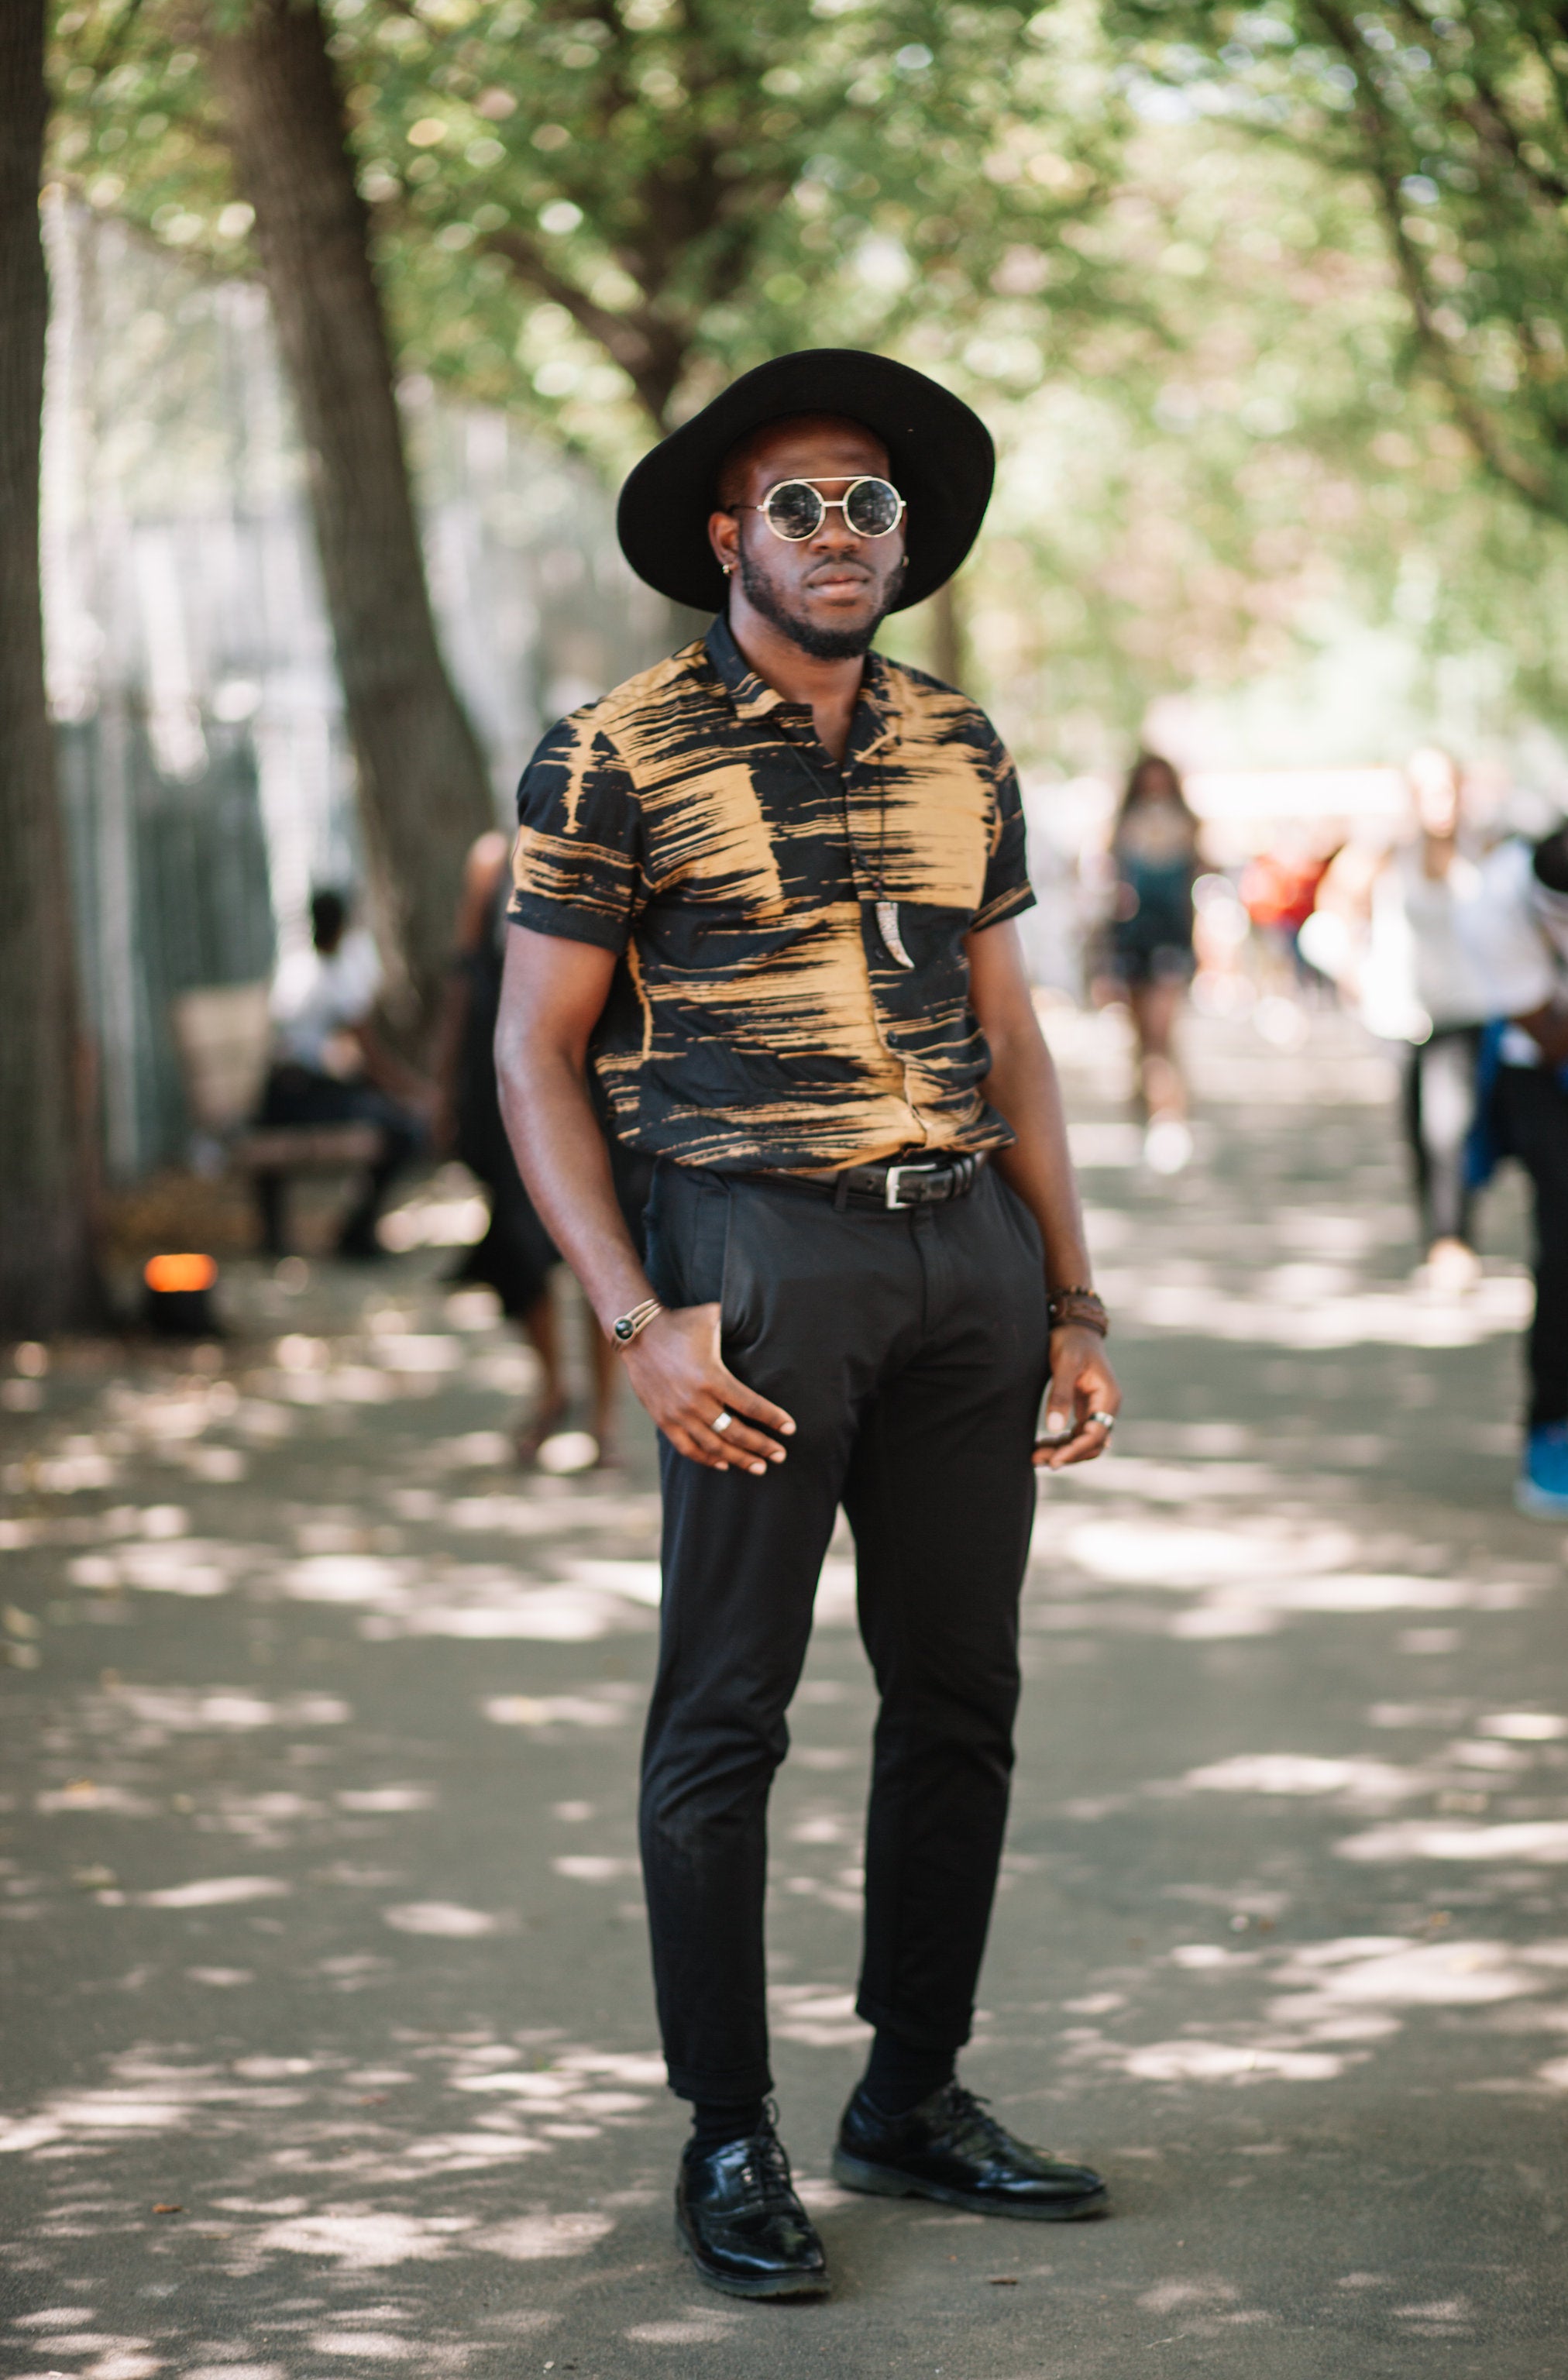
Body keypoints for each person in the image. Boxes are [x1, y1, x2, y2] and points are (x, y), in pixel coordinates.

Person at [494, 349, 1119, 2302]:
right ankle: (730, 2128)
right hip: (749, 1265)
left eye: (866, 503)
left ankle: (910, 2092)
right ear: (722, 535)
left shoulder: (960, 741)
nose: (837, 532)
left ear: (901, 537)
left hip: (963, 1264)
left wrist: (1071, 1289)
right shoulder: (614, 750)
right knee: (725, 1715)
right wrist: (632, 1316)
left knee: (961, 1697)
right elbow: (531, 1050)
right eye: (797, 504)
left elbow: (1010, 1030)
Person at [435, 831, 630, 1465]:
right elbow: (466, 977)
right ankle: (553, 1393)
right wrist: (445, 1083)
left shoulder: (614, 844)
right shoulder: (491, 860)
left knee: (605, 1248)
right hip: (516, 1087)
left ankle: (603, 1422)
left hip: (601, 1084)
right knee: (518, 1251)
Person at [1312, 748, 1492, 1292]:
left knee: (1451, 1127)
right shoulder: (1386, 851)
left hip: (1466, 1012)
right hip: (1400, 1015)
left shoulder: (1485, 848)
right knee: (1417, 1130)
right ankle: (1435, 1234)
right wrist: (1354, 975)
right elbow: (1332, 911)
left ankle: (1454, 1239)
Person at [1463, 820, 1568, 1516]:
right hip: (1539, 1076)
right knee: (1566, 1242)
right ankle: (1549, 1428)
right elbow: (1549, 1038)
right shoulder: (1493, 905)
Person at [255, 889, 427, 1259]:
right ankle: (357, 1233)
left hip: (274, 1096)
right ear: (344, 927)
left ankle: (280, 1235)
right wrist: (414, 1095)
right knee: (403, 1132)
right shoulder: (335, 977)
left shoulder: (294, 966)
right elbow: (372, 1056)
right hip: (303, 1098)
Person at [1100, 753, 1200, 1175]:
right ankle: (1151, 1115)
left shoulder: (1187, 827)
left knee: (1160, 1032)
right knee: (1141, 1035)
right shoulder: (1122, 829)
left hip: (1169, 937)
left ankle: (1168, 1118)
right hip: (1130, 938)